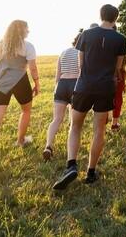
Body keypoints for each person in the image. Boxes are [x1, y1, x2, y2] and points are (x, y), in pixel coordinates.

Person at [53, 4, 126, 189]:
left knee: (75, 126)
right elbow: (118, 68)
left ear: (100, 15)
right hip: (105, 88)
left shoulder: (86, 34)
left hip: (84, 85)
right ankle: (91, 171)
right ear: (116, 18)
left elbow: (80, 63)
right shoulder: (120, 39)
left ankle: (71, 165)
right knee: (99, 130)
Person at [0, 20, 40, 162]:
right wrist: (37, 83)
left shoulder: (1, 45)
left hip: (1, 83)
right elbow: (32, 68)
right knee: (26, 110)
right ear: (22, 30)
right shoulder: (28, 46)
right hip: (20, 81)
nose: (29, 31)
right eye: (27, 28)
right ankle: (20, 140)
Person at [43, 29, 82, 160]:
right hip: (76, 84)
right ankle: (71, 147)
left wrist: (56, 88)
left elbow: (57, 74)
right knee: (74, 121)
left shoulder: (64, 52)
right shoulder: (82, 53)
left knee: (56, 119)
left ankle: (48, 146)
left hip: (62, 84)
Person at [111, 24, 126, 131]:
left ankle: (104, 122)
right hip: (118, 74)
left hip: (104, 74)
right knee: (118, 99)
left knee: (104, 99)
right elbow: (123, 61)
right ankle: (114, 123)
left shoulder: (101, 39)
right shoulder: (120, 40)